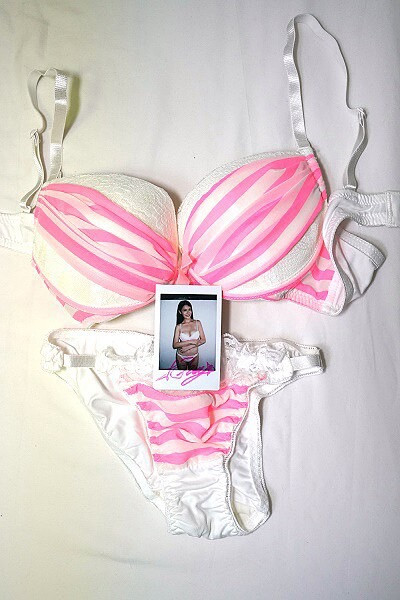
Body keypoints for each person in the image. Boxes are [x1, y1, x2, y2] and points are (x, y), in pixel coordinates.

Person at [172, 300, 206, 370]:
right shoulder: (179, 326)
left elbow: (203, 340)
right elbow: (175, 345)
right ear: (180, 312)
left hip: (194, 356)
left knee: (192, 375)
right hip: (181, 356)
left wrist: (188, 347)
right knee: (182, 376)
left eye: (189, 309)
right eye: (185, 310)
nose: (188, 312)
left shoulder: (197, 323)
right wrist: (191, 342)